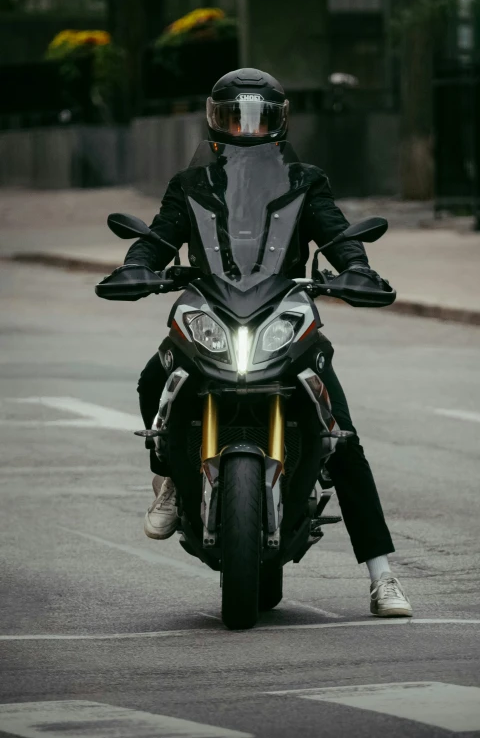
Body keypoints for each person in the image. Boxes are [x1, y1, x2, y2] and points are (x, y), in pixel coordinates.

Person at [124, 68, 412, 618]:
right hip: (213, 310)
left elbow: (335, 232)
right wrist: (137, 267)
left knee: (342, 438)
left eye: (259, 117)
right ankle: (166, 478)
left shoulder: (306, 181)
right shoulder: (191, 186)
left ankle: (383, 577)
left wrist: (357, 269)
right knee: (152, 378)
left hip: (282, 314)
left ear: (280, 122)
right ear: (215, 121)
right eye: (236, 117)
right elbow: (160, 238)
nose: (247, 129)